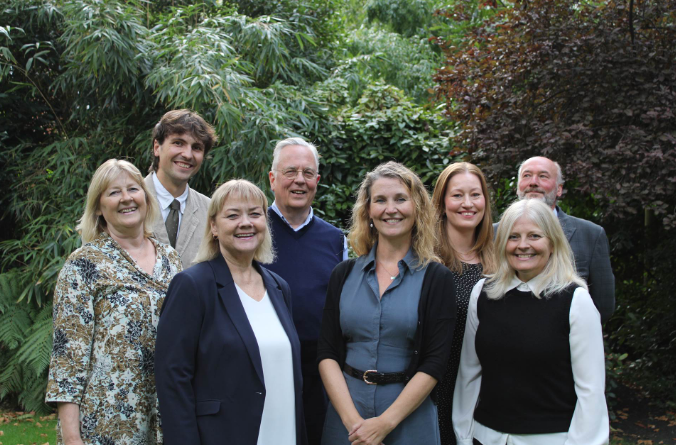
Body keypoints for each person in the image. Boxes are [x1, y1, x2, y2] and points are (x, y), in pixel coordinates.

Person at [155, 179, 307, 445]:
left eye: (255, 214)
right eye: (233, 215)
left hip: (284, 432)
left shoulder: (279, 287)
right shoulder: (193, 285)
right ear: (213, 226)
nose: (245, 223)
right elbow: (172, 379)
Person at [318, 161, 456, 445]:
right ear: (368, 210)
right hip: (346, 419)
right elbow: (327, 352)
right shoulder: (343, 274)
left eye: (400, 199)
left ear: (417, 208)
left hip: (408, 419)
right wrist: (354, 424)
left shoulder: (436, 278)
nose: (390, 209)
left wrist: (383, 424)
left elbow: (434, 362)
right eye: (380, 200)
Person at [46, 159, 182, 445]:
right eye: (113, 192)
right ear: (98, 207)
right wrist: (72, 437)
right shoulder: (84, 264)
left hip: (167, 415)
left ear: (146, 198)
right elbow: (67, 360)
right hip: (107, 421)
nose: (126, 198)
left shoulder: (171, 260)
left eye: (133, 189)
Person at [453, 199, 609, 445]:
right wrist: (463, 435)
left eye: (534, 236)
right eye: (513, 237)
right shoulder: (482, 293)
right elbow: (468, 374)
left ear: (552, 243)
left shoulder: (575, 300)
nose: (522, 245)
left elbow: (590, 392)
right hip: (485, 437)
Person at [265, 137, 347, 444]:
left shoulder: (336, 240)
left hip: (320, 378)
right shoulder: (252, 231)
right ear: (272, 179)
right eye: (290, 171)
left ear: (317, 181)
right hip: (263, 374)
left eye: (308, 173)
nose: (300, 180)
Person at [430, 162, 496, 445]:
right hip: (434, 387)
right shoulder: (426, 261)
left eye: (475, 195)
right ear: (442, 203)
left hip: (486, 392)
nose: (468, 204)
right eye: (457, 195)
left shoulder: (503, 262)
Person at [513, 156, 615, 323]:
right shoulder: (493, 234)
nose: (533, 182)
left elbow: (603, 305)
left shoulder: (591, 235)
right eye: (527, 175)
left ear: (559, 189)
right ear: (518, 187)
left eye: (543, 176)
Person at [144, 109, 218, 269]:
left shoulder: (211, 211)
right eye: (178, 143)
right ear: (157, 147)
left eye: (197, 147)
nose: (187, 154)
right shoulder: (127, 202)